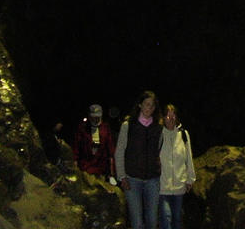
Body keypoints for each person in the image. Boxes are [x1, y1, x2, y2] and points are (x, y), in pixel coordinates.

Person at [115, 90, 163, 229]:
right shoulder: (128, 125)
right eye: (147, 104)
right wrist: (122, 176)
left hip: (153, 179)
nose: (149, 108)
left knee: (152, 221)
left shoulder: (158, 128)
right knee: (137, 223)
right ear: (140, 105)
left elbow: (160, 151)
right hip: (132, 179)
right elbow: (119, 152)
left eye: (152, 105)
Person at [159, 104, 196, 229]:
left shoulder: (183, 134)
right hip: (163, 186)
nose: (171, 118)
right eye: (168, 115)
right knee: (166, 218)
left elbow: (188, 157)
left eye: (173, 115)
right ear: (163, 118)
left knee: (177, 219)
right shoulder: (159, 134)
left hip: (179, 186)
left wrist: (190, 179)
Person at [72, 104, 116, 178]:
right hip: (85, 168)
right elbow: (76, 147)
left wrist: (112, 170)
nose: (95, 119)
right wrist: (75, 162)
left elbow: (111, 150)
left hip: (101, 169)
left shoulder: (105, 128)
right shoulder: (83, 128)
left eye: (97, 117)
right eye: (93, 117)